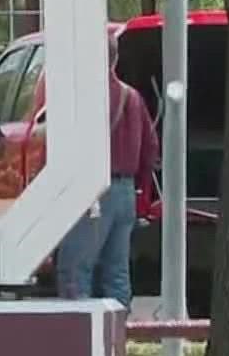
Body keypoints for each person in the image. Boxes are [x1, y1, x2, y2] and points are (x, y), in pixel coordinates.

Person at [54, 29, 159, 309]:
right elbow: (151, 149)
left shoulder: (85, 96)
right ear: (115, 58)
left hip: (92, 192)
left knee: (75, 270)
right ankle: (117, 339)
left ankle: (80, 341)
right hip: (125, 191)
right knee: (117, 274)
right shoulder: (133, 97)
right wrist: (141, 190)